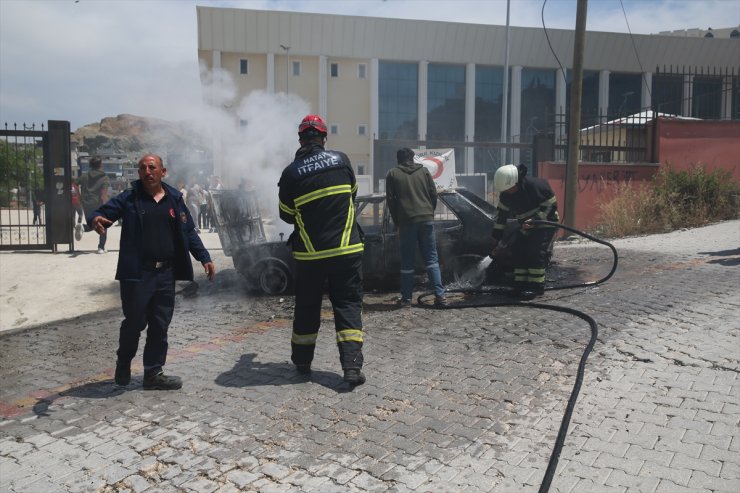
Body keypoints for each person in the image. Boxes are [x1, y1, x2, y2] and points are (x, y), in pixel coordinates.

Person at [89, 154, 216, 390]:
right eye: (142, 168)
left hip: (165, 274)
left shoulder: (175, 199)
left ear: (162, 172)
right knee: (135, 322)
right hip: (138, 275)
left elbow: (188, 232)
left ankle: (153, 373)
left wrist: (204, 257)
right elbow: (103, 212)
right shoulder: (130, 198)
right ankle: (124, 360)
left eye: (152, 167)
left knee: (160, 324)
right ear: (139, 173)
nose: (147, 171)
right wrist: (96, 219)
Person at [278, 114, 366, 386]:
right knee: (348, 305)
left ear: (300, 139)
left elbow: (286, 215)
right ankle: (351, 367)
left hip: (310, 255)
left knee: (307, 306)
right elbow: (352, 196)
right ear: (324, 138)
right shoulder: (342, 161)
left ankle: (303, 362)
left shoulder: (291, 173)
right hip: (347, 249)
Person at [385, 148, 447, 307]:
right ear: (413, 159)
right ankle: (440, 296)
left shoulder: (392, 174)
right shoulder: (424, 171)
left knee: (407, 262)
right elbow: (433, 194)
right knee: (432, 259)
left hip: (406, 221)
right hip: (426, 219)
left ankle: (406, 299)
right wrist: (428, 212)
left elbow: (391, 201)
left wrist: (397, 222)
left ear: (398, 159)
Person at [490, 164, 559, 300]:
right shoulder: (506, 194)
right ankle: (520, 285)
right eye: (506, 190)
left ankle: (536, 287)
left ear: (516, 181)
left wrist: (534, 220)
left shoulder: (536, 186)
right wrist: (495, 238)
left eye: (510, 189)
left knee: (535, 251)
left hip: (545, 224)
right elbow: (501, 218)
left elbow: (551, 206)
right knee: (518, 250)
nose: (508, 192)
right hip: (525, 226)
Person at [79, 156, 110, 253]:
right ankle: (101, 247)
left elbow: (75, 184)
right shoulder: (104, 177)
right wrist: (105, 203)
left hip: (86, 203)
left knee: (93, 223)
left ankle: (83, 227)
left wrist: (79, 195)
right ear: (100, 165)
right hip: (98, 204)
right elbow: (104, 193)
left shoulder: (84, 176)